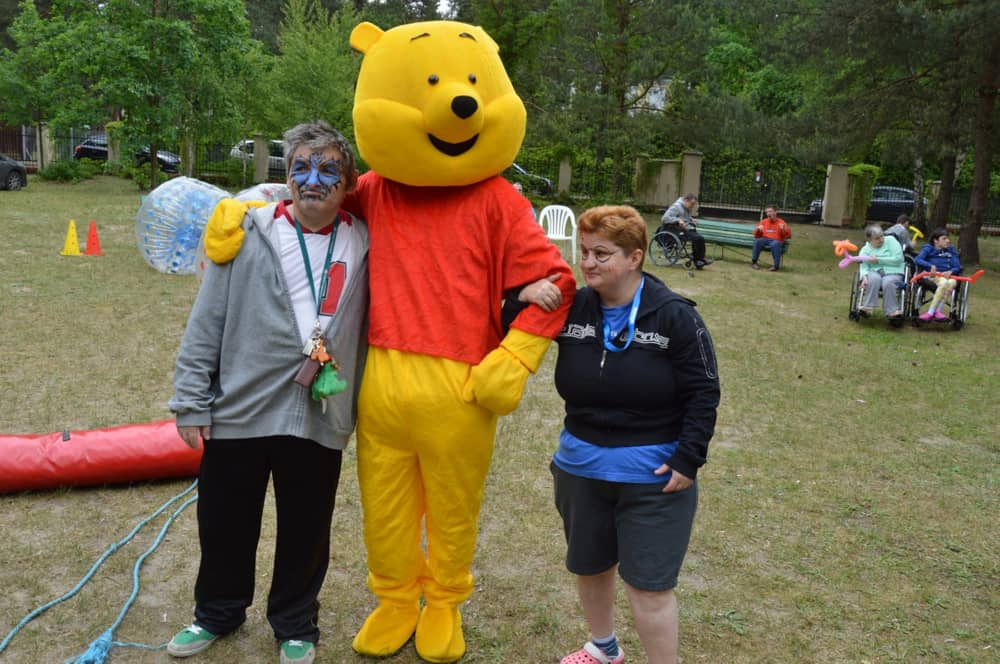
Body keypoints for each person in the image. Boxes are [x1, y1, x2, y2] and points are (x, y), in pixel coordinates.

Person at [167, 121, 370, 664]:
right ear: (286, 176)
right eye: (301, 167)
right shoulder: (249, 233)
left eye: (328, 169)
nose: (313, 180)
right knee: (225, 521)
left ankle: (296, 623)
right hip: (240, 407)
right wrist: (191, 398)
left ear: (348, 180)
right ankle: (217, 613)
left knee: (307, 527)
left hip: (320, 409)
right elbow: (206, 321)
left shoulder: (367, 241)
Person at [551, 205, 720, 664]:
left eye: (602, 254)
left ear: (635, 257)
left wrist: (689, 458)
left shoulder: (674, 316)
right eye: (584, 252)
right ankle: (604, 647)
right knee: (590, 565)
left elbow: (704, 391)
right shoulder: (572, 306)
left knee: (649, 586)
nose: (588, 263)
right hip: (580, 469)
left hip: (653, 478)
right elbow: (511, 317)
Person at [857, 223, 906, 318]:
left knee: (888, 282)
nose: (881, 239)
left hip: (893, 271)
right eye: (877, 238)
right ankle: (868, 308)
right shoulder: (865, 250)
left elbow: (898, 259)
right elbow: (864, 265)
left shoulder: (891, 241)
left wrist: (879, 260)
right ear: (869, 240)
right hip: (874, 272)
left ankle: (891, 311)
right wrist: (864, 277)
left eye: (882, 236)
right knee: (873, 279)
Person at [913, 228, 962, 321]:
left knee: (952, 282)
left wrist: (951, 271)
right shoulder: (929, 248)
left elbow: (957, 266)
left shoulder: (951, 250)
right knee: (945, 283)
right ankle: (933, 312)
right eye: (944, 238)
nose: (948, 241)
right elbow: (917, 259)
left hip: (948, 276)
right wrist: (930, 265)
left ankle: (934, 312)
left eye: (947, 238)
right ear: (935, 240)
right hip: (931, 276)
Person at [659, 193, 712, 269]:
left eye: (694, 204)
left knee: (701, 238)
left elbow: (684, 216)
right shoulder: (677, 206)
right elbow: (664, 218)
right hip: (675, 230)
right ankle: (697, 260)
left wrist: (691, 219)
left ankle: (701, 259)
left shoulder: (685, 207)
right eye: (692, 204)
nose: (692, 206)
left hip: (685, 228)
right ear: (686, 200)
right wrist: (677, 220)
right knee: (697, 238)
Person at [751, 205, 792, 271]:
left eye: (770, 211)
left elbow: (788, 236)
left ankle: (776, 266)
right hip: (765, 239)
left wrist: (784, 229)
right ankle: (754, 262)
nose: (768, 213)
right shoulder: (764, 221)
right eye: (767, 212)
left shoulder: (782, 222)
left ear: (775, 212)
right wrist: (758, 229)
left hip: (776, 240)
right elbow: (756, 236)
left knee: (775, 244)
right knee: (757, 241)